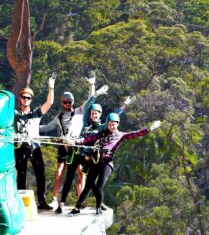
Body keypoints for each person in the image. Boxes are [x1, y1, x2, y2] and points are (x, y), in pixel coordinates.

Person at [55, 96, 136, 214]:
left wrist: (125, 105)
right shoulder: (85, 122)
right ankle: (61, 203)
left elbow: (115, 116)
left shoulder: (102, 126)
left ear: (100, 114)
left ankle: (99, 201)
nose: (94, 115)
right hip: (78, 152)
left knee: (90, 182)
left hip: (88, 156)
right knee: (69, 177)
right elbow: (87, 105)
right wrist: (95, 94)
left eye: (96, 114)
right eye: (92, 113)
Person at [68, 113, 161, 215]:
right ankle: (77, 207)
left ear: (118, 124)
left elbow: (136, 133)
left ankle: (98, 207)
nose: (112, 126)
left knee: (99, 186)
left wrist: (149, 129)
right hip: (96, 161)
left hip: (107, 163)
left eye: (114, 124)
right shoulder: (102, 133)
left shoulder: (121, 135)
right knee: (88, 185)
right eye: (110, 124)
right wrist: (77, 141)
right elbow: (89, 139)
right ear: (107, 124)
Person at [40, 74, 108, 208]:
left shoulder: (79, 112)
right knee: (59, 171)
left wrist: (92, 85)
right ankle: (55, 199)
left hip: (76, 146)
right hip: (63, 145)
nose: (67, 104)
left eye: (69, 102)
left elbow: (90, 102)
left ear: (73, 102)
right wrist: (32, 127)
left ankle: (80, 199)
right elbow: (47, 127)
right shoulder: (59, 117)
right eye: (65, 102)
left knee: (80, 173)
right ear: (62, 103)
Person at [14, 74, 56, 210]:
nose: (25, 100)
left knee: (40, 174)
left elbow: (49, 103)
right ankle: (20, 202)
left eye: (28, 98)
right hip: (20, 147)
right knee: (21, 174)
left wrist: (51, 87)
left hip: (34, 146)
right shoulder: (15, 114)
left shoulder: (36, 113)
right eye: (23, 97)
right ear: (20, 98)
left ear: (31, 100)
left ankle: (42, 201)